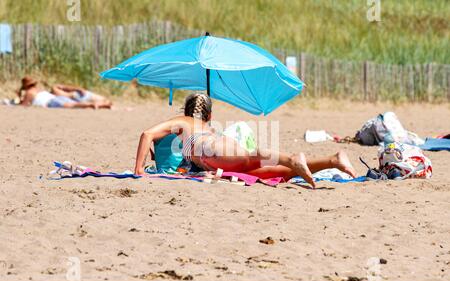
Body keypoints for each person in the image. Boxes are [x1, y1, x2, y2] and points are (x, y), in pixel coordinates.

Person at [134, 93, 357, 189]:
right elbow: (166, 147)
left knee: (252, 157)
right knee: (277, 173)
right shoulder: (204, 126)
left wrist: (139, 170)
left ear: (186, 111)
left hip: (211, 152)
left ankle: (291, 157)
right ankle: (332, 160)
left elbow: (147, 134)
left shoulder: (181, 122)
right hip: (218, 150)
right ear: (210, 116)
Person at [17, 76, 111, 109]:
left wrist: (19, 97)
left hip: (51, 102)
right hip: (54, 98)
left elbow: (24, 105)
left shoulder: (29, 93)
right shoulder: (39, 90)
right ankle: (101, 105)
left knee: (73, 106)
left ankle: (91, 105)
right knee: (75, 104)